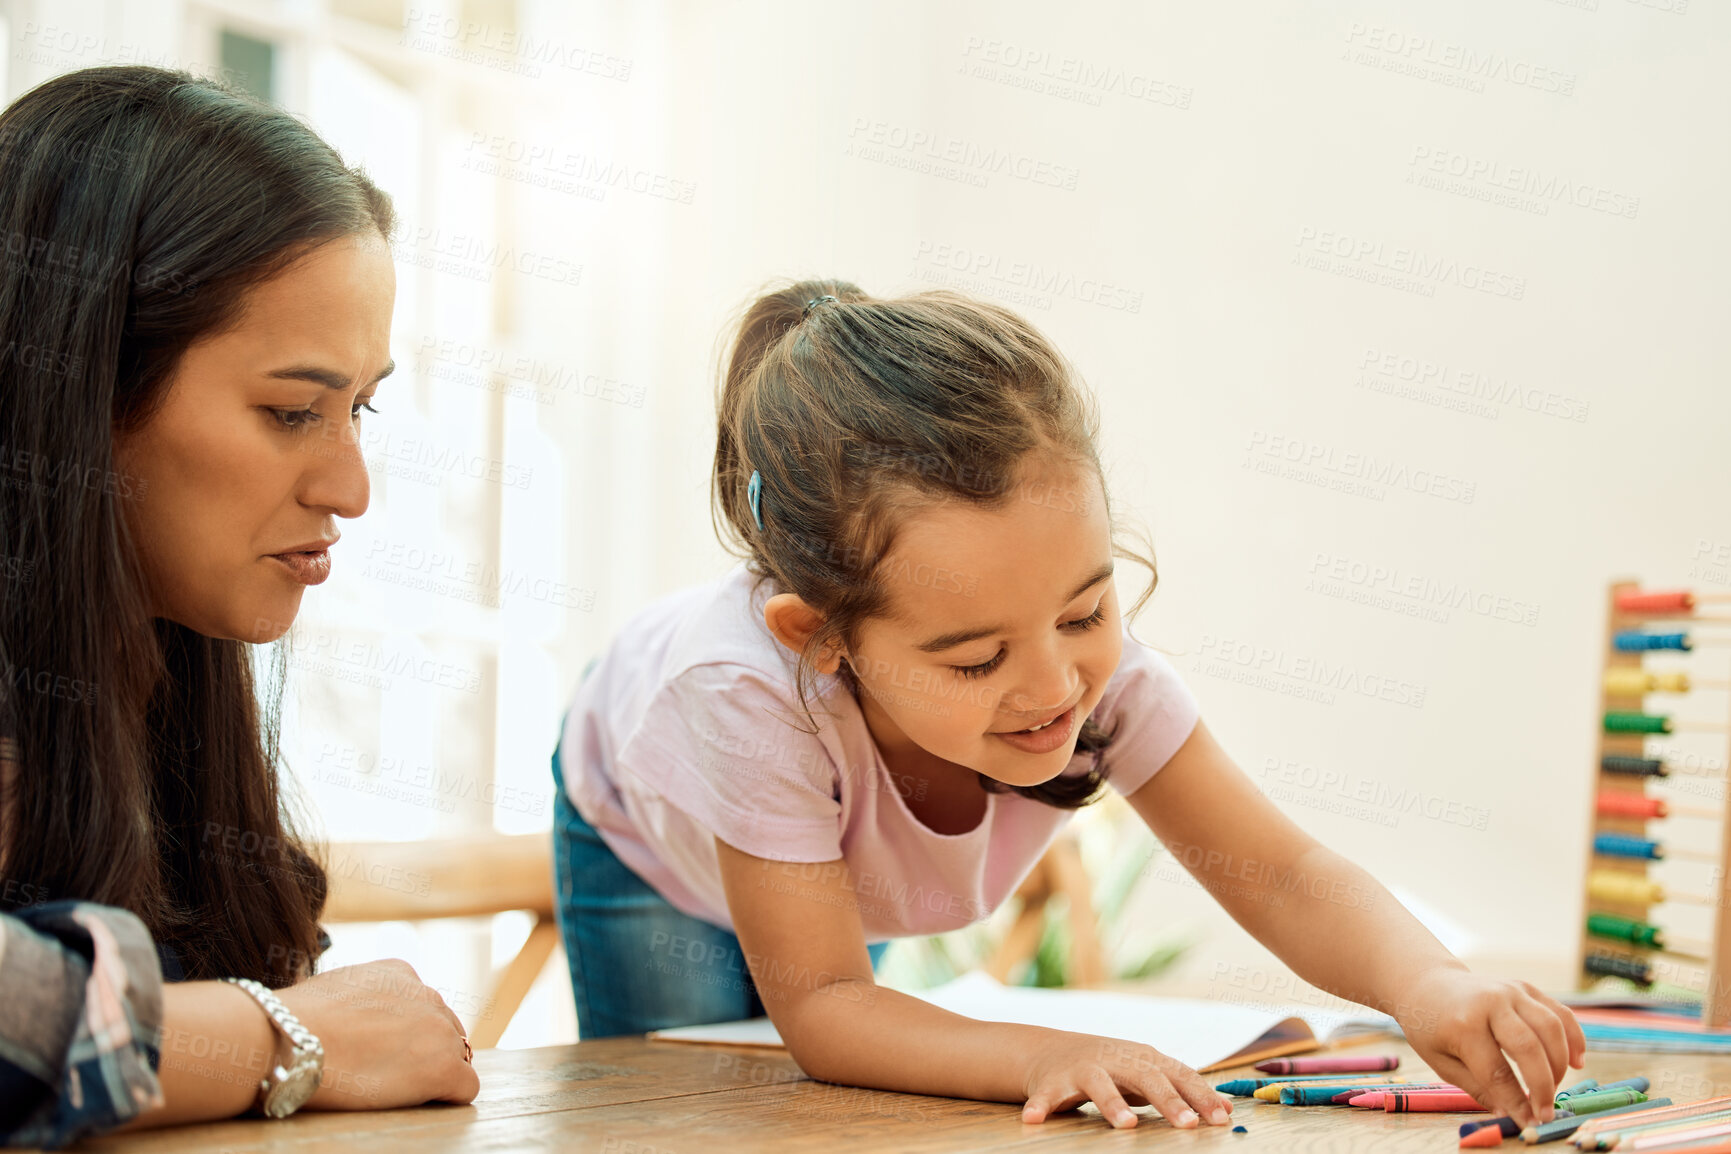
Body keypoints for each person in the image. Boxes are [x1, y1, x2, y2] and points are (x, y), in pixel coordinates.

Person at [552, 280, 1585, 1131]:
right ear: (824, 638)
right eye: (974, 659)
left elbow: (1280, 870)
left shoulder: (1103, 678)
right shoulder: (743, 694)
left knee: (847, 1114)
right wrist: (1058, 1050)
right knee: (684, 1117)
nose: (1054, 687)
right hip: (640, 840)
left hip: (831, 863)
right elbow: (825, 1006)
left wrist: (1431, 984)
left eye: (1086, 609)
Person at [0, 66, 478, 1148]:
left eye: (359, 406)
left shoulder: (156, 692)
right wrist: (284, 1035)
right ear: (80, 392)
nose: (350, 489)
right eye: (292, 409)